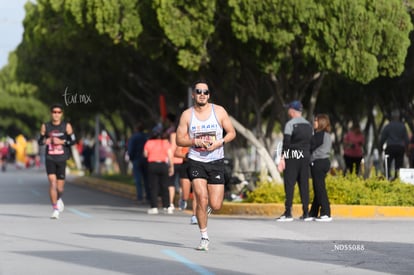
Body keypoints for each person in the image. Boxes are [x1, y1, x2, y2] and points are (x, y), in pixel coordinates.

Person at [176, 80, 236, 251]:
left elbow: (232, 132)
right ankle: (204, 237)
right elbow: (179, 139)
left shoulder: (219, 111)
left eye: (206, 92)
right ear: (193, 95)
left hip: (216, 160)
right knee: (201, 198)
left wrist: (220, 142)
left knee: (215, 205)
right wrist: (194, 141)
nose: (202, 94)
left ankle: (204, 211)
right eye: (199, 91)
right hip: (196, 160)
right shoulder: (187, 115)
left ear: (209, 95)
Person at [276, 100, 313, 222]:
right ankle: (306, 213)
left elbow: (286, 143)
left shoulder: (290, 124)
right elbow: (311, 143)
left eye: (288, 109)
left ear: (292, 111)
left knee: (290, 184)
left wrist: (282, 158)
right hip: (305, 156)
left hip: (293, 155)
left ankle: (288, 213)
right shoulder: (309, 125)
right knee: (304, 184)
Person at [38, 103, 76, 219]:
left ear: (61, 114)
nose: (56, 114)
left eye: (59, 112)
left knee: (60, 188)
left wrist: (62, 142)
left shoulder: (66, 126)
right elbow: (40, 141)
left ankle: (58, 199)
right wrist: (46, 141)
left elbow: (73, 141)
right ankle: (55, 209)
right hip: (50, 158)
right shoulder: (46, 126)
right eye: (54, 112)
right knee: (52, 183)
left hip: (62, 158)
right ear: (51, 113)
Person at [143, 126, 174, 214]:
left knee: (153, 186)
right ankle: (167, 206)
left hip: (152, 165)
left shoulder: (149, 142)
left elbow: (145, 154)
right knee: (165, 186)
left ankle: (154, 207)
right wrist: (171, 167)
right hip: (163, 165)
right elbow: (170, 155)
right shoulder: (165, 143)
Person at [309, 114, 332, 222]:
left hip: (318, 162)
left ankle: (326, 213)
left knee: (319, 188)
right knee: (318, 187)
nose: (314, 122)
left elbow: (309, 147)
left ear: (321, 122)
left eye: (316, 121)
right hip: (325, 162)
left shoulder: (319, 135)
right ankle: (313, 212)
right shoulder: (326, 134)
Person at [380, 110, 409, 180]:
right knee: (398, 165)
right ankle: (397, 178)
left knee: (387, 163)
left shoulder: (388, 126)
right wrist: (407, 148)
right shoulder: (402, 126)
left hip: (390, 147)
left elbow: (383, 138)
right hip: (400, 147)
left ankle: (388, 176)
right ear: (399, 117)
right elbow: (406, 139)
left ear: (392, 117)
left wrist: (381, 146)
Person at [175, 143, 198, 224]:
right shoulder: (185, 140)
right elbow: (176, 153)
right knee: (186, 194)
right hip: (186, 167)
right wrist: (187, 155)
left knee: (196, 194)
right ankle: (183, 199)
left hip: (198, 166)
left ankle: (194, 216)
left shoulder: (202, 138)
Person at [127, 122, 149, 203]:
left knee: (138, 179)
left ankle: (140, 197)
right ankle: (148, 196)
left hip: (137, 159)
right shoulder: (146, 137)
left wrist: (131, 158)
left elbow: (131, 149)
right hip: (146, 159)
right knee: (146, 179)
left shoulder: (134, 137)